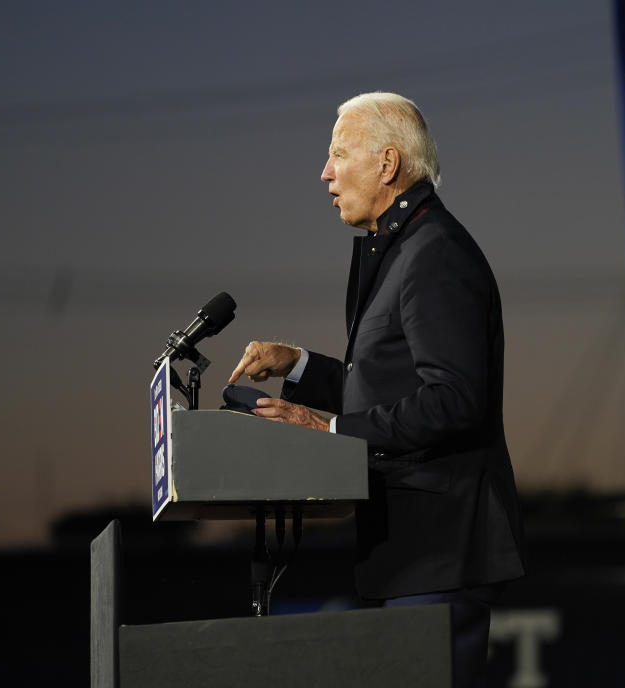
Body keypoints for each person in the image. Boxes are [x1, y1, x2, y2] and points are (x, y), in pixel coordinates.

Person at [229, 92, 525, 688]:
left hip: (442, 554)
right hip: (407, 558)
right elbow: (382, 392)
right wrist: (297, 365)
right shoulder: (397, 249)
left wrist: (330, 433)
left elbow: (454, 399)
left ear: (387, 165)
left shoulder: (435, 253)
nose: (326, 173)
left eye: (339, 155)